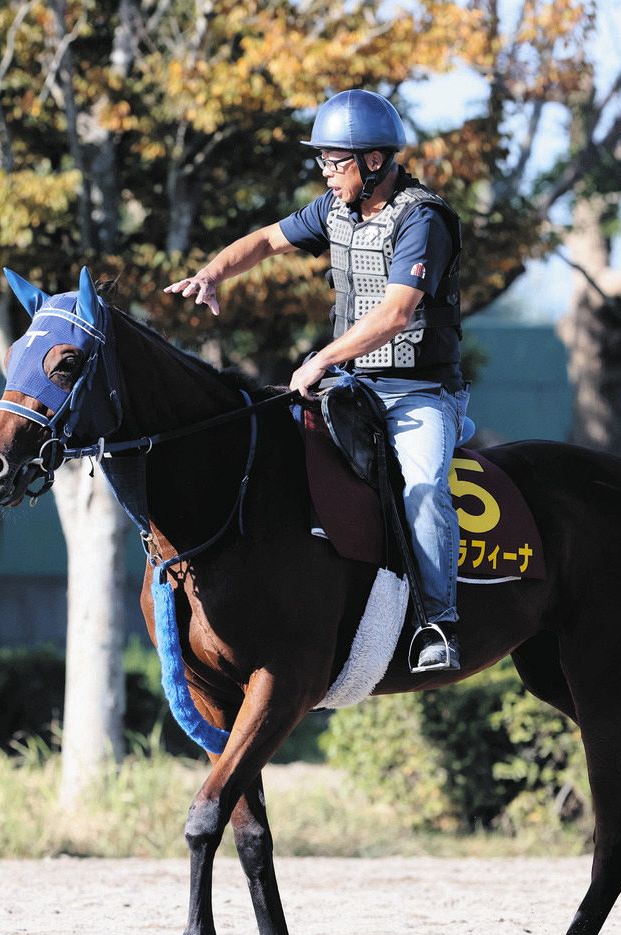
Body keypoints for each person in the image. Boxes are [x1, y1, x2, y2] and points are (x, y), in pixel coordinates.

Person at [165, 88, 467, 672]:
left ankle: (438, 624)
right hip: (350, 387)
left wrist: (322, 359)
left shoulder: (424, 219)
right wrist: (212, 273)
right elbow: (265, 241)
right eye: (322, 159)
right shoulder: (334, 208)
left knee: (423, 491)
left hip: (420, 395)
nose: (325, 171)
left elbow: (396, 314)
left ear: (373, 162)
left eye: (334, 160)